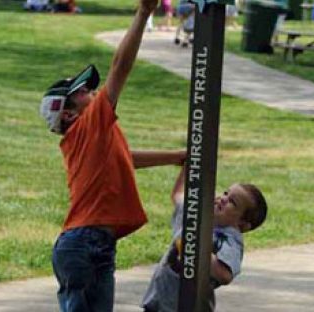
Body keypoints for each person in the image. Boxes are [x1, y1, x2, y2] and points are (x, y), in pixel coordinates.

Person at [39, 1, 187, 311]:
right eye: (82, 92)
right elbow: (120, 66)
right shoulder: (87, 125)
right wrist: (144, 12)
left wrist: (176, 156)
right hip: (85, 243)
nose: (91, 92)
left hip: (93, 245)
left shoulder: (91, 138)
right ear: (67, 115)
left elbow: (125, 159)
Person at [141, 165, 268, 312]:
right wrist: (189, 166)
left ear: (243, 224)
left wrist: (193, 247)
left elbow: (225, 275)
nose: (223, 199)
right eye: (226, 193)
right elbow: (178, 195)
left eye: (232, 202)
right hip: (160, 299)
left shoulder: (229, 240)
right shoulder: (199, 214)